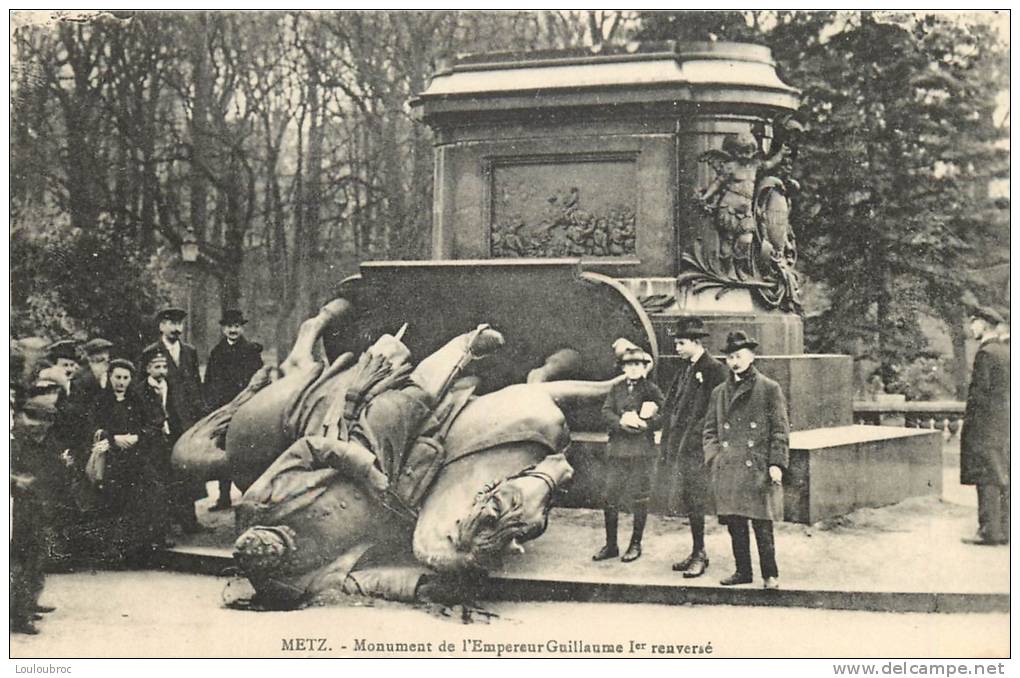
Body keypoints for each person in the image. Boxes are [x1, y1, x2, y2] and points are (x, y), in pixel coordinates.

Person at [703, 331, 789, 589]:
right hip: (728, 466)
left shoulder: (769, 388)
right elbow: (709, 430)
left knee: (762, 524)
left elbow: (780, 430)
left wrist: (777, 463)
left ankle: (770, 574)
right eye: (730, 357)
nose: (734, 361)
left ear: (752, 356)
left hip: (757, 466)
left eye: (739, 356)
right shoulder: (719, 392)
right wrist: (714, 457)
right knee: (735, 524)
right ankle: (743, 571)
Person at [659, 317, 729, 578]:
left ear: (697, 342)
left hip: (698, 448)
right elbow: (674, 405)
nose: (676, 347)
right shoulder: (685, 369)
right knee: (689, 498)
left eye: (681, 343)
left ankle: (700, 554)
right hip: (681, 446)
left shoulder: (714, 369)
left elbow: (716, 412)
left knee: (697, 499)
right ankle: (697, 550)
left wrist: (694, 438)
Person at [87, 358, 168, 561]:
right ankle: (114, 551)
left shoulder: (138, 400)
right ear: (110, 377)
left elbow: (153, 424)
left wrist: (137, 436)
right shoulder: (100, 401)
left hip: (136, 457)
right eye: (117, 377)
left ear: (131, 379)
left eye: (125, 378)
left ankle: (143, 548)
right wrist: (112, 438)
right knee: (113, 500)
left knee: (149, 492)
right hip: (111, 459)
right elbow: (92, 426)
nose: (121, 382)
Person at [595, 342, 664, 563]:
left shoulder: (651, 389)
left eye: (638, 365)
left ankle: (635, 544)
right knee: (610, 498)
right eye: (629, 365)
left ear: (645, 368)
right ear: (623, 368)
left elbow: (664, 414)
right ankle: (611, 545)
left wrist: (648, 423)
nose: (634, 369)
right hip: (617, 451)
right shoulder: (616, 389)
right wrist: (620, 422)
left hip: (642, 452)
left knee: (639, 498)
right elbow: (605, 412)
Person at [142, 307, 207, 529]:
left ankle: (190, 520)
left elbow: (196, 386)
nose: (177, 328)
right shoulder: (151, 352)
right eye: (171, 323)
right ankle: (167, 520)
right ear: (161, 326)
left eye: (179, 324)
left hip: (187, 422)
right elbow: (144, 390)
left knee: (188, 469)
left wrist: (200, 416)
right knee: (165, 469)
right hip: (164, 421)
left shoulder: (189, 351)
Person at [10, 381, 64, 634]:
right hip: (19, 508)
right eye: (31, 420)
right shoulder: (17, 442)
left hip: (42, 507)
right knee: (21, 559)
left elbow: (55, 473)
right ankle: (20, 614)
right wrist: (15, 481)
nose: (35, 426)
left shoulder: (48, 443)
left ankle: (30, 603)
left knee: (36, 557)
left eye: (41, 422)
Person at [203, 309, 263, 510]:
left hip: (247, 407)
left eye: (236, 326)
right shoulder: (216, 352)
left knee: (249, 450)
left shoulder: (252, 351)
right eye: (229, 326)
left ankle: (250, 495)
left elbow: (261, 379)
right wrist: (212, 406)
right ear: (223, 329)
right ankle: (224, 496)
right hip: (225, 407)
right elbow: (210, 381)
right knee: (224, 450)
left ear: (242, 328)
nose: (233, 330)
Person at [960, 306, 1010, 546]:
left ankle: (988, 531)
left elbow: (979, 395)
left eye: (974, 322)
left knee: (987, 477)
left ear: (985, 325)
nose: (972, 327)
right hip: (1004, 424)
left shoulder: (986, 354)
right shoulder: (1006, 351)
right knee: (1003, 474)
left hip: (985, 426)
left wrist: (970, 425)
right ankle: (1005, 530)